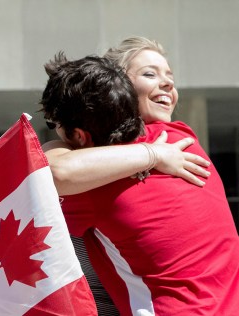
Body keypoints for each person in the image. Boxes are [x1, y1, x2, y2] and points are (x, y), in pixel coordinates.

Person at [40, 49, 239, 315]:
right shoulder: (181, 138)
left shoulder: (91, 185)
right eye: (149, 73)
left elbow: (53, 172)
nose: (167, 82)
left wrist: (56, 141)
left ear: (78, 135)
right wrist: (153, 154)